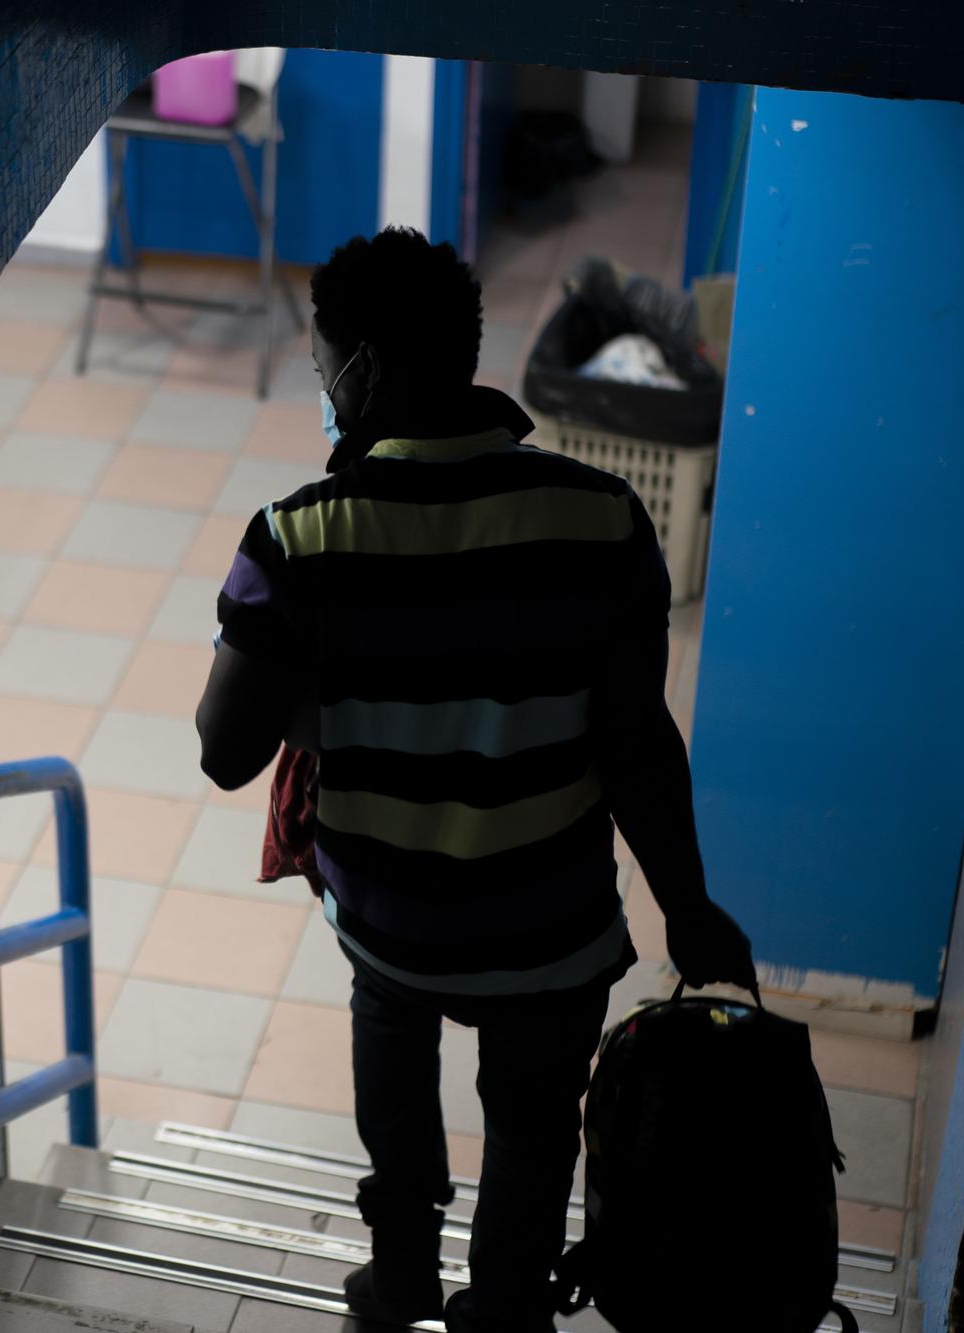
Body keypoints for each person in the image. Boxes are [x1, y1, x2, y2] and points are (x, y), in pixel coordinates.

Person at [195, 227, 755, 1333]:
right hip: (549, 932)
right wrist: (688, 910)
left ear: (366, 369)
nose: (320, 386)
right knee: (532, 1135)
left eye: (323, 366)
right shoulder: (600, 519)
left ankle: (397, 1279)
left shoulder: (299, 538)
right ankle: (502, 1307)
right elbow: (636, 745)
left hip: (392, 927)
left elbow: (223, 751)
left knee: (395, 1115)